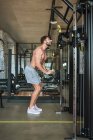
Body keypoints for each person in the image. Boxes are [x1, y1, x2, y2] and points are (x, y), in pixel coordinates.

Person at [24, 35, 55, 114]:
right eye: (49, 40)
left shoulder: (44, 51)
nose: (51, 41)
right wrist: (46, 72)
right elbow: (37, 64)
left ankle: (33, 106)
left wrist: (47, 70)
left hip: (34, 71)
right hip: (30, 70)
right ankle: (30, 108)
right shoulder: (39, 50)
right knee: (37, 88)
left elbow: (42, 63)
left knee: (39, 87)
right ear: (44, 41)